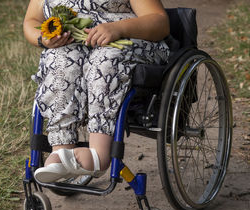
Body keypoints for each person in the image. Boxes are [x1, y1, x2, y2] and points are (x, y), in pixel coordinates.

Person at [23, 0, 170, 183]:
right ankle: (61, 148)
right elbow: (32, 19)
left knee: (104, 61)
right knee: (60, 60)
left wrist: (118, 28)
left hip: (126, 41)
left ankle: (99, 154)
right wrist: (42, 38)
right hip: (74, 46)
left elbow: (160, 21)